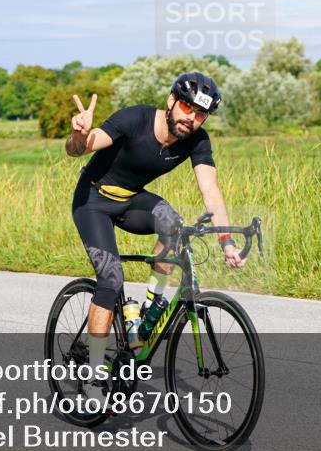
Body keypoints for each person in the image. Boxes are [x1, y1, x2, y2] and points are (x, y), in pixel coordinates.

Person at [65, 72, 246, 405]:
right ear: (171, 101)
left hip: (131, 200)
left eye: (200, 114)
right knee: (110, 278)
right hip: (93, 202)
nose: (191, 118)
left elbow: (211, 192)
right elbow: (82, 149)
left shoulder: (197, 140)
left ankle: (151, 305)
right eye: (187, 108)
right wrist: (79, 135)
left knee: (173, 225)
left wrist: (227, 242)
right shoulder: (134, 119)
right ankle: (92, 375)